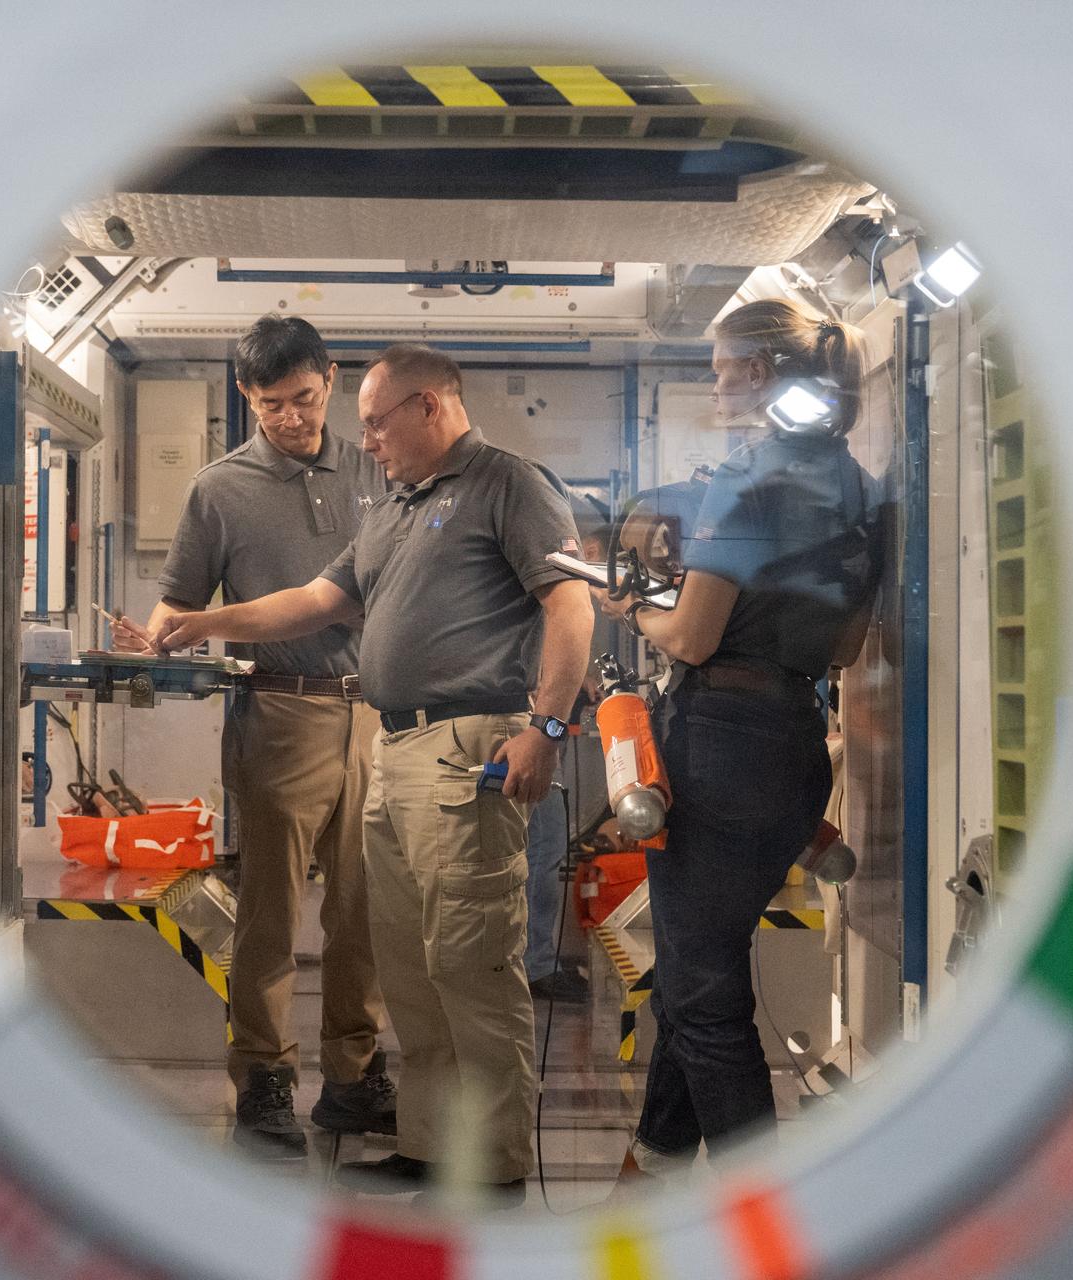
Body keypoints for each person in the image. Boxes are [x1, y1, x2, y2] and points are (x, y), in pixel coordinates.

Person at [144, 344, 595, 1203]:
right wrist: (207, 622)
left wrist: (546, 724)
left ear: (430, 408)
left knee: (470, 957)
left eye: (376, 423)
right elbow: (318, 600)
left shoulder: (509, 484)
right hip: (394, 747)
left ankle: (494, 1163)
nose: (366, 442)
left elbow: (569, 604)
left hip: (469, 749)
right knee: (412, 963)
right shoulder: (395, 506)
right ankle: (431, 1143)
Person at [599, 298, 880, 1182]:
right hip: (795, 745)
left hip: (719, 744)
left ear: (759, 372)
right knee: (698, 959)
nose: (715, 382)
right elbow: (843, 647)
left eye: (722, 366)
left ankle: (760, 1208)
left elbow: (689, 638)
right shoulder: (861, 491)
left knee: (699, 989)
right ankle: (654, 1162)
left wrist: (633, 606)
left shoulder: (745, 481)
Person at [112, 315, 395, 1162]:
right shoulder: (218, 489)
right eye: (270, 404)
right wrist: (160, 633)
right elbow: (179, 604)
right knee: (272, 915)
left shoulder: (378, 473)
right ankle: (264, 1079)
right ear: (245, 397)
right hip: (280, 715)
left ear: (332, 382)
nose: (289, 419)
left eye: (303, 400)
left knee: (366, 911)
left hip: (377, 714)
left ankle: (354, 1076)